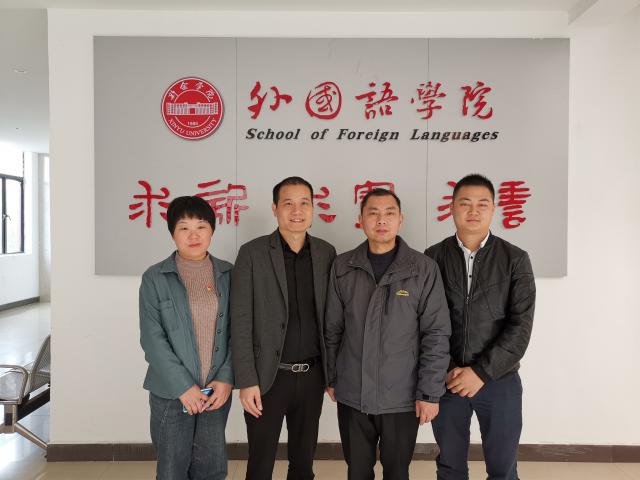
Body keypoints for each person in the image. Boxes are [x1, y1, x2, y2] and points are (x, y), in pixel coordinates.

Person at [324, 188, 451, 480]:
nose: (381, 220)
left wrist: (429, 393)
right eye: (373, 213)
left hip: (402, 397)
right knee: (357, 471)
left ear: (400, 219)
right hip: (353, 394)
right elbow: (332, 329)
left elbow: (436, 334)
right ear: (361, 219)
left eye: (389, 213)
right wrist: (331, 377)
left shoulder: (423, 269)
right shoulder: (343, 266)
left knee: (397, 471)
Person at [425, 173, 536, 480]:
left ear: (493, 209)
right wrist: (448, 368)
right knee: (450, 467)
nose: (473, 211)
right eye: (465, 203)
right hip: (447, 380)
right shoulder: (432, 258)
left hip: (499, 380)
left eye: (482, 204)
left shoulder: (515, 259)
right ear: (451, 208)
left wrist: (481, 372)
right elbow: (423, 322)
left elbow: (521, 326)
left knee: (502, 469)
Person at [230, 176, 336, 480]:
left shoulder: (326, 253)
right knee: (260, 465)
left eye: (304, 203)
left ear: (313, 209)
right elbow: (240, 321)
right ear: (275, 209)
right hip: (268, 377)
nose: (297, 211)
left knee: (303, 464)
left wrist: (332, 375)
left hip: (312, 376)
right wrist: (247, 380)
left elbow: (333, 320)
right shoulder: (252, 253)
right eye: (288, 203)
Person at [139, 196, 233, 480]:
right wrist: (183, 387)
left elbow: (239, 332)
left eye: (201, 226)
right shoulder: (155, 277)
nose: (194, 235)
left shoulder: (229, 274)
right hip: (172, 394)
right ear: (172, 233)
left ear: (212, 230)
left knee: (212, 470)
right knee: (172, 471)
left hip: (215, 392)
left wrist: (226, 378)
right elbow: (152, 340)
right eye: (184, 228)